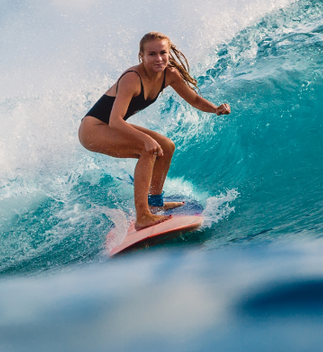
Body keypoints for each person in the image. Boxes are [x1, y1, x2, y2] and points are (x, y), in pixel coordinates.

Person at [79, 31, 231, 230]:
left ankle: (155, 203)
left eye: (163, 53)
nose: (159, 58)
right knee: (148, 149)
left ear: (169, 53)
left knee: (166, 147)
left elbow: (193, 99)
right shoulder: (132, 78)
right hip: (93, 129)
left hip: (108, 126)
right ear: (141, 55)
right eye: (152, 54)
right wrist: (145, 140)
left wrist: (215, 109)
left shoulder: (169, 74)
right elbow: (115, 121)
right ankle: (142, 216)